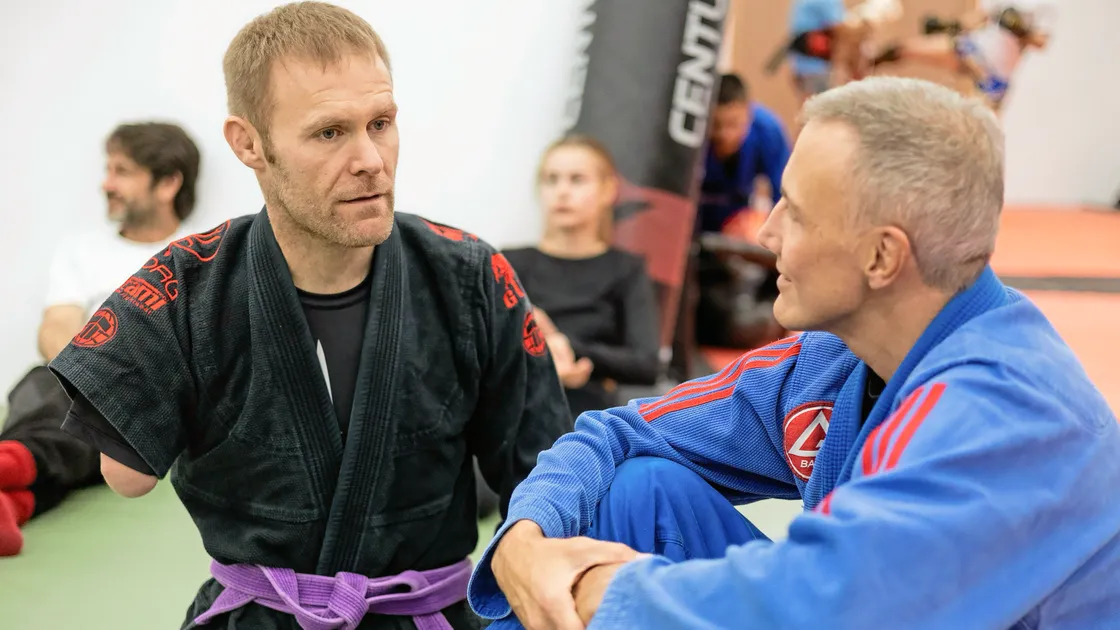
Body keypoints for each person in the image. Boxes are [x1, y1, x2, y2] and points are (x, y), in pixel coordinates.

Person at [466, 77, 1120, 629]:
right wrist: (525, 540)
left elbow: (826, 605)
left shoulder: (1003, 413)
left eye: (797, 213)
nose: (768, 232)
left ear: (882, 256)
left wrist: (601, 592)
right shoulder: (834, 357)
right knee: (640, 490)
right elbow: (619, 432)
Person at [46, 3, 573, 629]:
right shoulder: (186, 285)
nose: (370, 159)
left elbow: (543, 476)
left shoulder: (470, 276)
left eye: (381, 123)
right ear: (248, 143)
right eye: (329, 132)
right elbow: (125, 476)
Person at [0, 121, 198, 556]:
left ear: (168, 183)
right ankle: (10, 502)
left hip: (154, 401)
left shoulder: (203, 253)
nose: (106, 183)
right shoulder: (82, 249)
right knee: (44, 383)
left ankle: (12, 474)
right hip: (81, 385)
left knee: (101, 424)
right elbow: (56, 327)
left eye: (122, 171)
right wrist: (94, 380)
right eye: (108, 169)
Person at [502, 135, 660, 418]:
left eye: (577, 180)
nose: (562, 191)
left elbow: (646, 363)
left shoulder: (626, 269)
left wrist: (567, 346)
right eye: (551, 179)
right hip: (516, 401)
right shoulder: (509, 262)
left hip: (588, 411)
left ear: (608, 190)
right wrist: (543, 352)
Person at [872, 2, 1053, 112]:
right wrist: (952, 25)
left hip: (994, 74)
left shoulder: (1042, 7)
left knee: (974, 126)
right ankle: (869, 61)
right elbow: (981, 16)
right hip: (972, 49)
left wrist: (1019, 28)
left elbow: (1040, 41)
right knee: (905, 49)